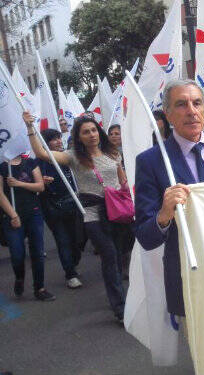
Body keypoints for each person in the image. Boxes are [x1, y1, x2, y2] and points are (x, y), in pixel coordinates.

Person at [134, 79, 204, 318]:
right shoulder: (151, 161)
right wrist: (165, 214)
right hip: (190, 273)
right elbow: (146, 236)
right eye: (181, 104)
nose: (191, 111)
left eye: (197, 103)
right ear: (167, 114)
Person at [22, 113, 128, 322]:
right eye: (85, 132)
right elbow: (42, 153)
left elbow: (122, 180)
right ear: (78, 137)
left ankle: (124, 298)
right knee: (109, 257)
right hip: (93, 214)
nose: (91, 135)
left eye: (93, 130)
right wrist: (30, 128)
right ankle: (120, 307)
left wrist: (129, 197)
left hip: (119, 212)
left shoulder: (113, 153)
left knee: (119, 256)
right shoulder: (73, 157)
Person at [0, 153, 54, 301]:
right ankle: (19, 277)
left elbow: (40, 186)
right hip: (12, 217)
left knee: (37, 251)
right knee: (17, 254)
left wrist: (19, 183)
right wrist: (13, 215)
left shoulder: (30, 162)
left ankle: (39, 288)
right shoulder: (2, 166)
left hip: (34, 213)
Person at [38, 129, 83, 288]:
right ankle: (70, 273)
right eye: (53, 139)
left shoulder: (67, 157)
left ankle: (73, 261)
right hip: (53, 208)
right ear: (45, 142)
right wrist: (42, 182)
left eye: (59, 138)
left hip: (73, 204)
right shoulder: (41, 162)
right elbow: (35, 185)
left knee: (77, 240)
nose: (58, 141)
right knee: (63, 240)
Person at [106, 123, 134, 278]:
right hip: (114, 196)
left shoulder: (131, 152)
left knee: (130, 231)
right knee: (120, 232)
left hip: (130, 194)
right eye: (111, 133)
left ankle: (128, 259)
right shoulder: (105, 154)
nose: (114, 136)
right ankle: (122, 262)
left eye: (117, 133)